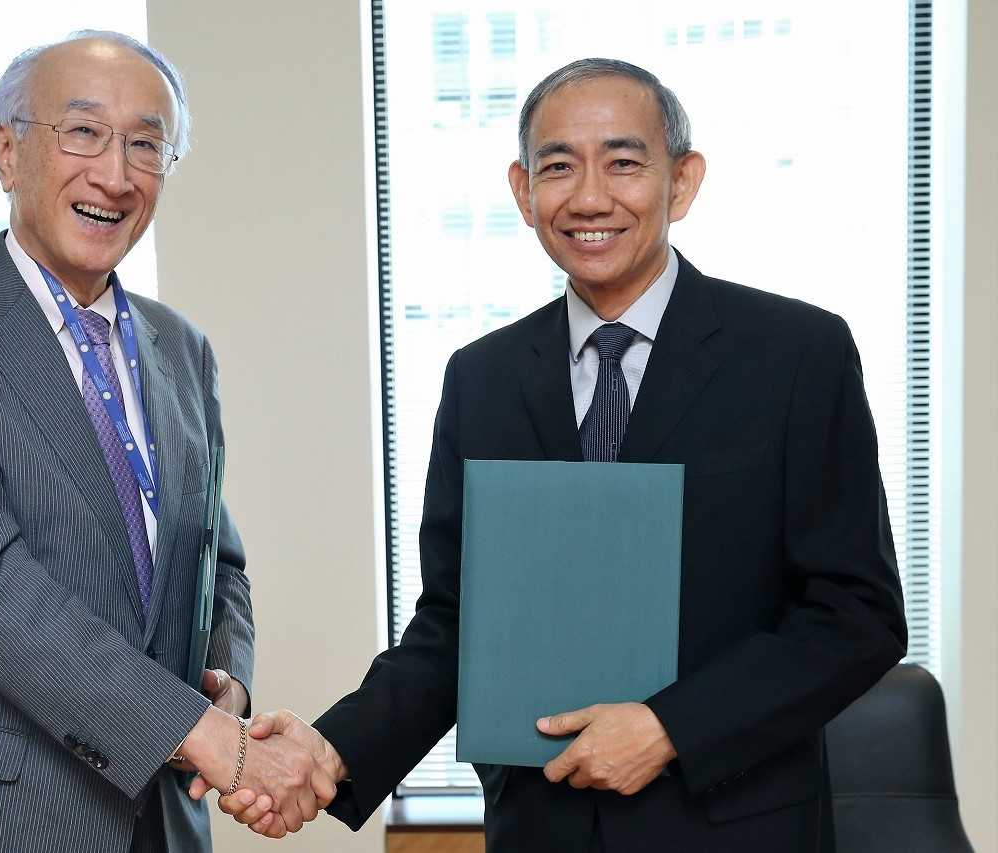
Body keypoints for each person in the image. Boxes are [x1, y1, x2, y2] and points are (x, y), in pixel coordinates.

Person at [207, 58, 908, 851]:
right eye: (559, 166)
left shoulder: (795, 355)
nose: (590, 197)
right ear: (522, 190)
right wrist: (334, 749)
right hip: (542, 830)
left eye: (623, 162)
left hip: (736, 828)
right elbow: (455, 625)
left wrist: (669, 727)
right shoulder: (483, 377)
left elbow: (857, 614)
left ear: (681, 181)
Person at [0, 31, 332, 853]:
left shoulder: (180, 349)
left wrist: (225, 688)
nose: (116, 174)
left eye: (146, 144)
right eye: (84, 132)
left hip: (153, 825)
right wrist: (204, 739)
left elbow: (214, 564)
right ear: (7, 151)